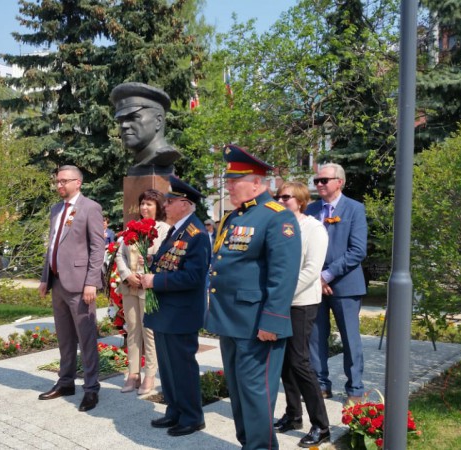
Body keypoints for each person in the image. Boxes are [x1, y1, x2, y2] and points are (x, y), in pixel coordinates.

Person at [205, 145, 301, 450]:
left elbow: (282, 275)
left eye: (235, 181)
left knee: (256, 393)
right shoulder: (232, 218)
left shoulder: (277, 218)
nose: (228, 186)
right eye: (228, 181)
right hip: (231, 321)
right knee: (239, 392)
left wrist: (272, 320)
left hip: (258, 323)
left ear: (257, 183)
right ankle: (250, 444)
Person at [138, 176, 210, 437]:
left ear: (184, 203)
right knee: (168, 367)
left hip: (181, 314)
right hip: (166, 313)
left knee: (182, 367)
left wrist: (155, 280)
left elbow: (194, 277)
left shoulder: (197, 234)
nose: (164, 205)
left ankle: (192, 417)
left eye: (169, 201)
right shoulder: (177, 230)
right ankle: (175, 410)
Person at [38, 165, 106, 412]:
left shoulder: (90, 208)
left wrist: (91, 282)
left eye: (64, 181)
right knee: (65, 339)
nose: (59, 186)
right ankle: (65, 382)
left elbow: (98, 249)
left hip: (80, 286)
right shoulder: (56, 209)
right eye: (57, 181)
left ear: (78, 183)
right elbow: (52, 245)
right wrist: (45, 277)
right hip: (58, 283)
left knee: (86, 339)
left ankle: (91, 389)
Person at [272, 181, 331, 448]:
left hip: (302, 302)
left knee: (299, 361)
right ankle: (293, 414)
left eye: (286, 197)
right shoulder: (278, 228)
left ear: (301, 200)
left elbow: (311, 270)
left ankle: (321, 424)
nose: (281, 200)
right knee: (284, 361)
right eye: (278, 196)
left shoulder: (314, 228)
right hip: (280, 302)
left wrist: (283, 293)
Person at [306, 163, 368, 405]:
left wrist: (327, 275)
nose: (319, 184)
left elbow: (357, 250)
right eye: (317, 180)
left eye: (324, 180)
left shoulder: (354, 209)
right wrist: (316, 278)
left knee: (350, 339)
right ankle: (321, 385)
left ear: (339, 182)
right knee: (315, 338)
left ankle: (355, 389)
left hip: (345, 286)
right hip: (315, 286)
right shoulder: (311, 210)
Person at [114, 189, 170, 395]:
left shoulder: (164, 229)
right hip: (130, 285)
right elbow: (119, 254)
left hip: (149, 287)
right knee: (133, 329)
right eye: (142, 204)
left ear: (158, 207)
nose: (144, 208)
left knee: (149, 332)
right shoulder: (132, 227)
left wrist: (149, 267)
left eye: (149, 204)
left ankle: (150, 375)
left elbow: (166, 257)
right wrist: (127, 274)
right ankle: (133, 373)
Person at [110, 82, 181, 175]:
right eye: (121, 120)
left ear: (158, 121)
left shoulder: (163, 158)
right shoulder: (140, 164)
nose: (124, 125)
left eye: (133, 117)